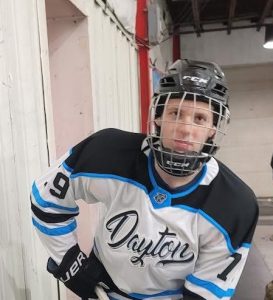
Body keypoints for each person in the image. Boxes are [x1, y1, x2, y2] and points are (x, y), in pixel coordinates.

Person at [31, 59, 259, 300]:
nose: (185, 129)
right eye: (175, 113)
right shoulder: (106, 152)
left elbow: (208, 290)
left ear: (214, 128)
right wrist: (73, 266)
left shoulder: (235, 205)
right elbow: (46, 200)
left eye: (200, 119)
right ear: (158, 116)